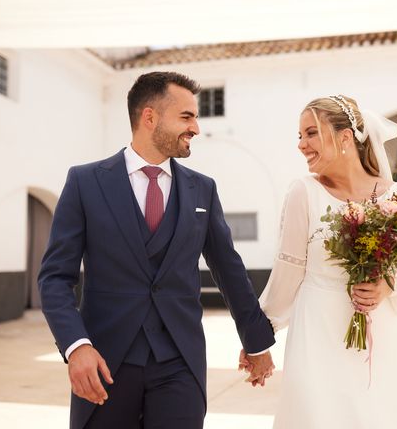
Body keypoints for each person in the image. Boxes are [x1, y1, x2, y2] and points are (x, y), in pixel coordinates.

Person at [38, 71, 275, 429]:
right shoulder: (85, 182)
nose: (195, 127)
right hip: (105, 362)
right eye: (186, 116)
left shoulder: (202, 190)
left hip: (179, 362)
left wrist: (256, 342)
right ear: (149, 117)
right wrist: (76, 346)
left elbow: (229, 269)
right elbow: (55, 278)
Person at [256, 95, 397, 428]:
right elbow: (287, 273)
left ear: (345, 137)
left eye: (311, 133)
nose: (301, 145)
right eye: (300, 136)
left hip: (385, 338)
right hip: (318, 337)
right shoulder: (303, 192)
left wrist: (388, 285)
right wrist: (258, 338)